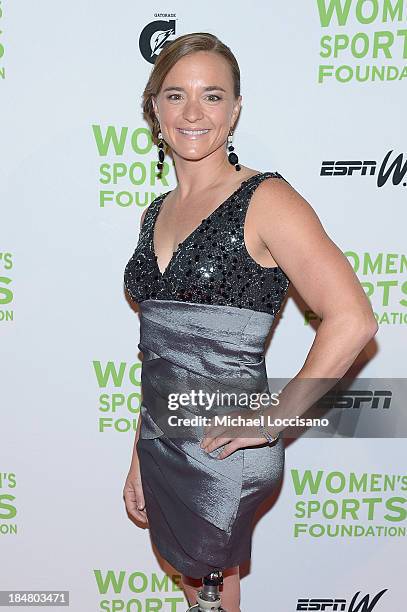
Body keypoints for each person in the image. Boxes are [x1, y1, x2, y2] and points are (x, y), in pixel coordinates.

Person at [123, 32, 378, 611]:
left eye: (212, 97)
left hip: (224, 448)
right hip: (165, 439)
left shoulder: (264, 199)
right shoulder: (154, 213)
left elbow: (353, 318)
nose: (193, 112)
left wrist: (276, 416)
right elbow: (160, 355)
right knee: (203, 591)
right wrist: (141, 449)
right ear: (153, 108)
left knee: (210, 588)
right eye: (175, 95)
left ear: (235, 111)